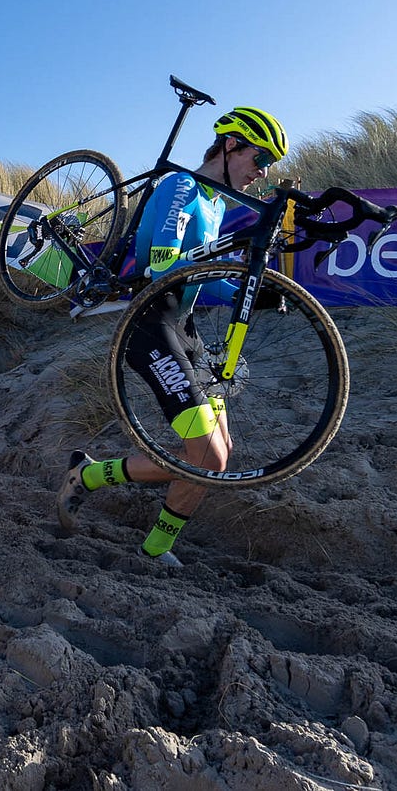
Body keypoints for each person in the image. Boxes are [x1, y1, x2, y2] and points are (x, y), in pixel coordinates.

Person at [56, 106, 288, 566]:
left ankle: (154, 546)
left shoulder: (216, 204)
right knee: (207, 457)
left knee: (220, 455)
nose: (262, 172)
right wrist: (228, 263)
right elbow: (165, 268)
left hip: (187, 328)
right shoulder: (181, 187)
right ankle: (90, 477)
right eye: (260, 158)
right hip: (151, 325)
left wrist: (246, 293)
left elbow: (198, 280)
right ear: (230, 146)